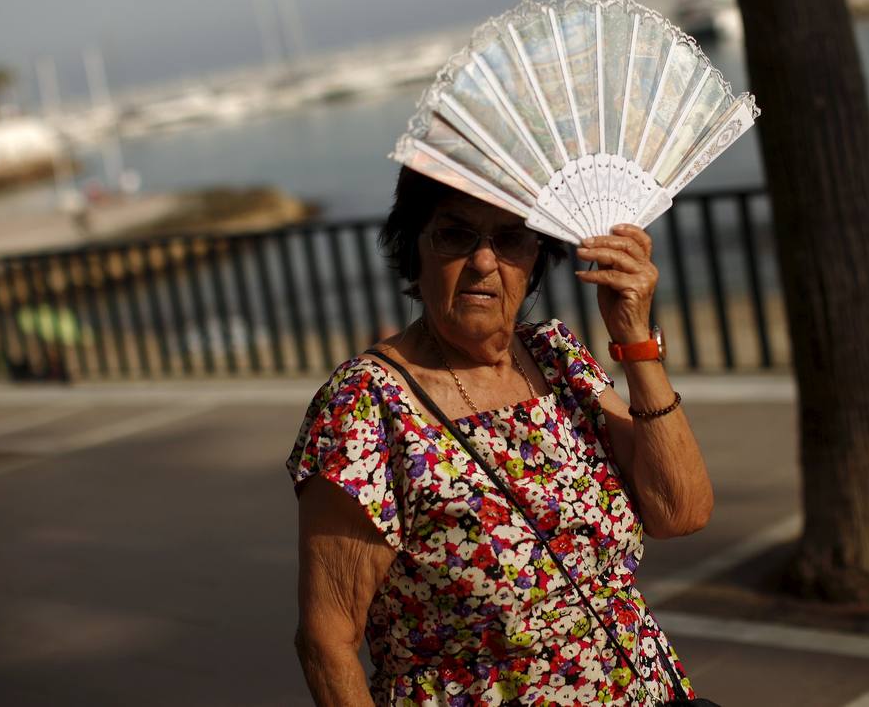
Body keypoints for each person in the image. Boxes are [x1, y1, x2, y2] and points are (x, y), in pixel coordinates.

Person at [287, 167, 714, 705]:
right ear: (414, 248)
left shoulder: (557, 358)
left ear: (536, 256)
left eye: (510, 238)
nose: (485, 262)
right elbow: (327, 641)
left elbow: (680, 511)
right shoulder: (366, 404)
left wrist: (634, 339)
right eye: (455, 235)